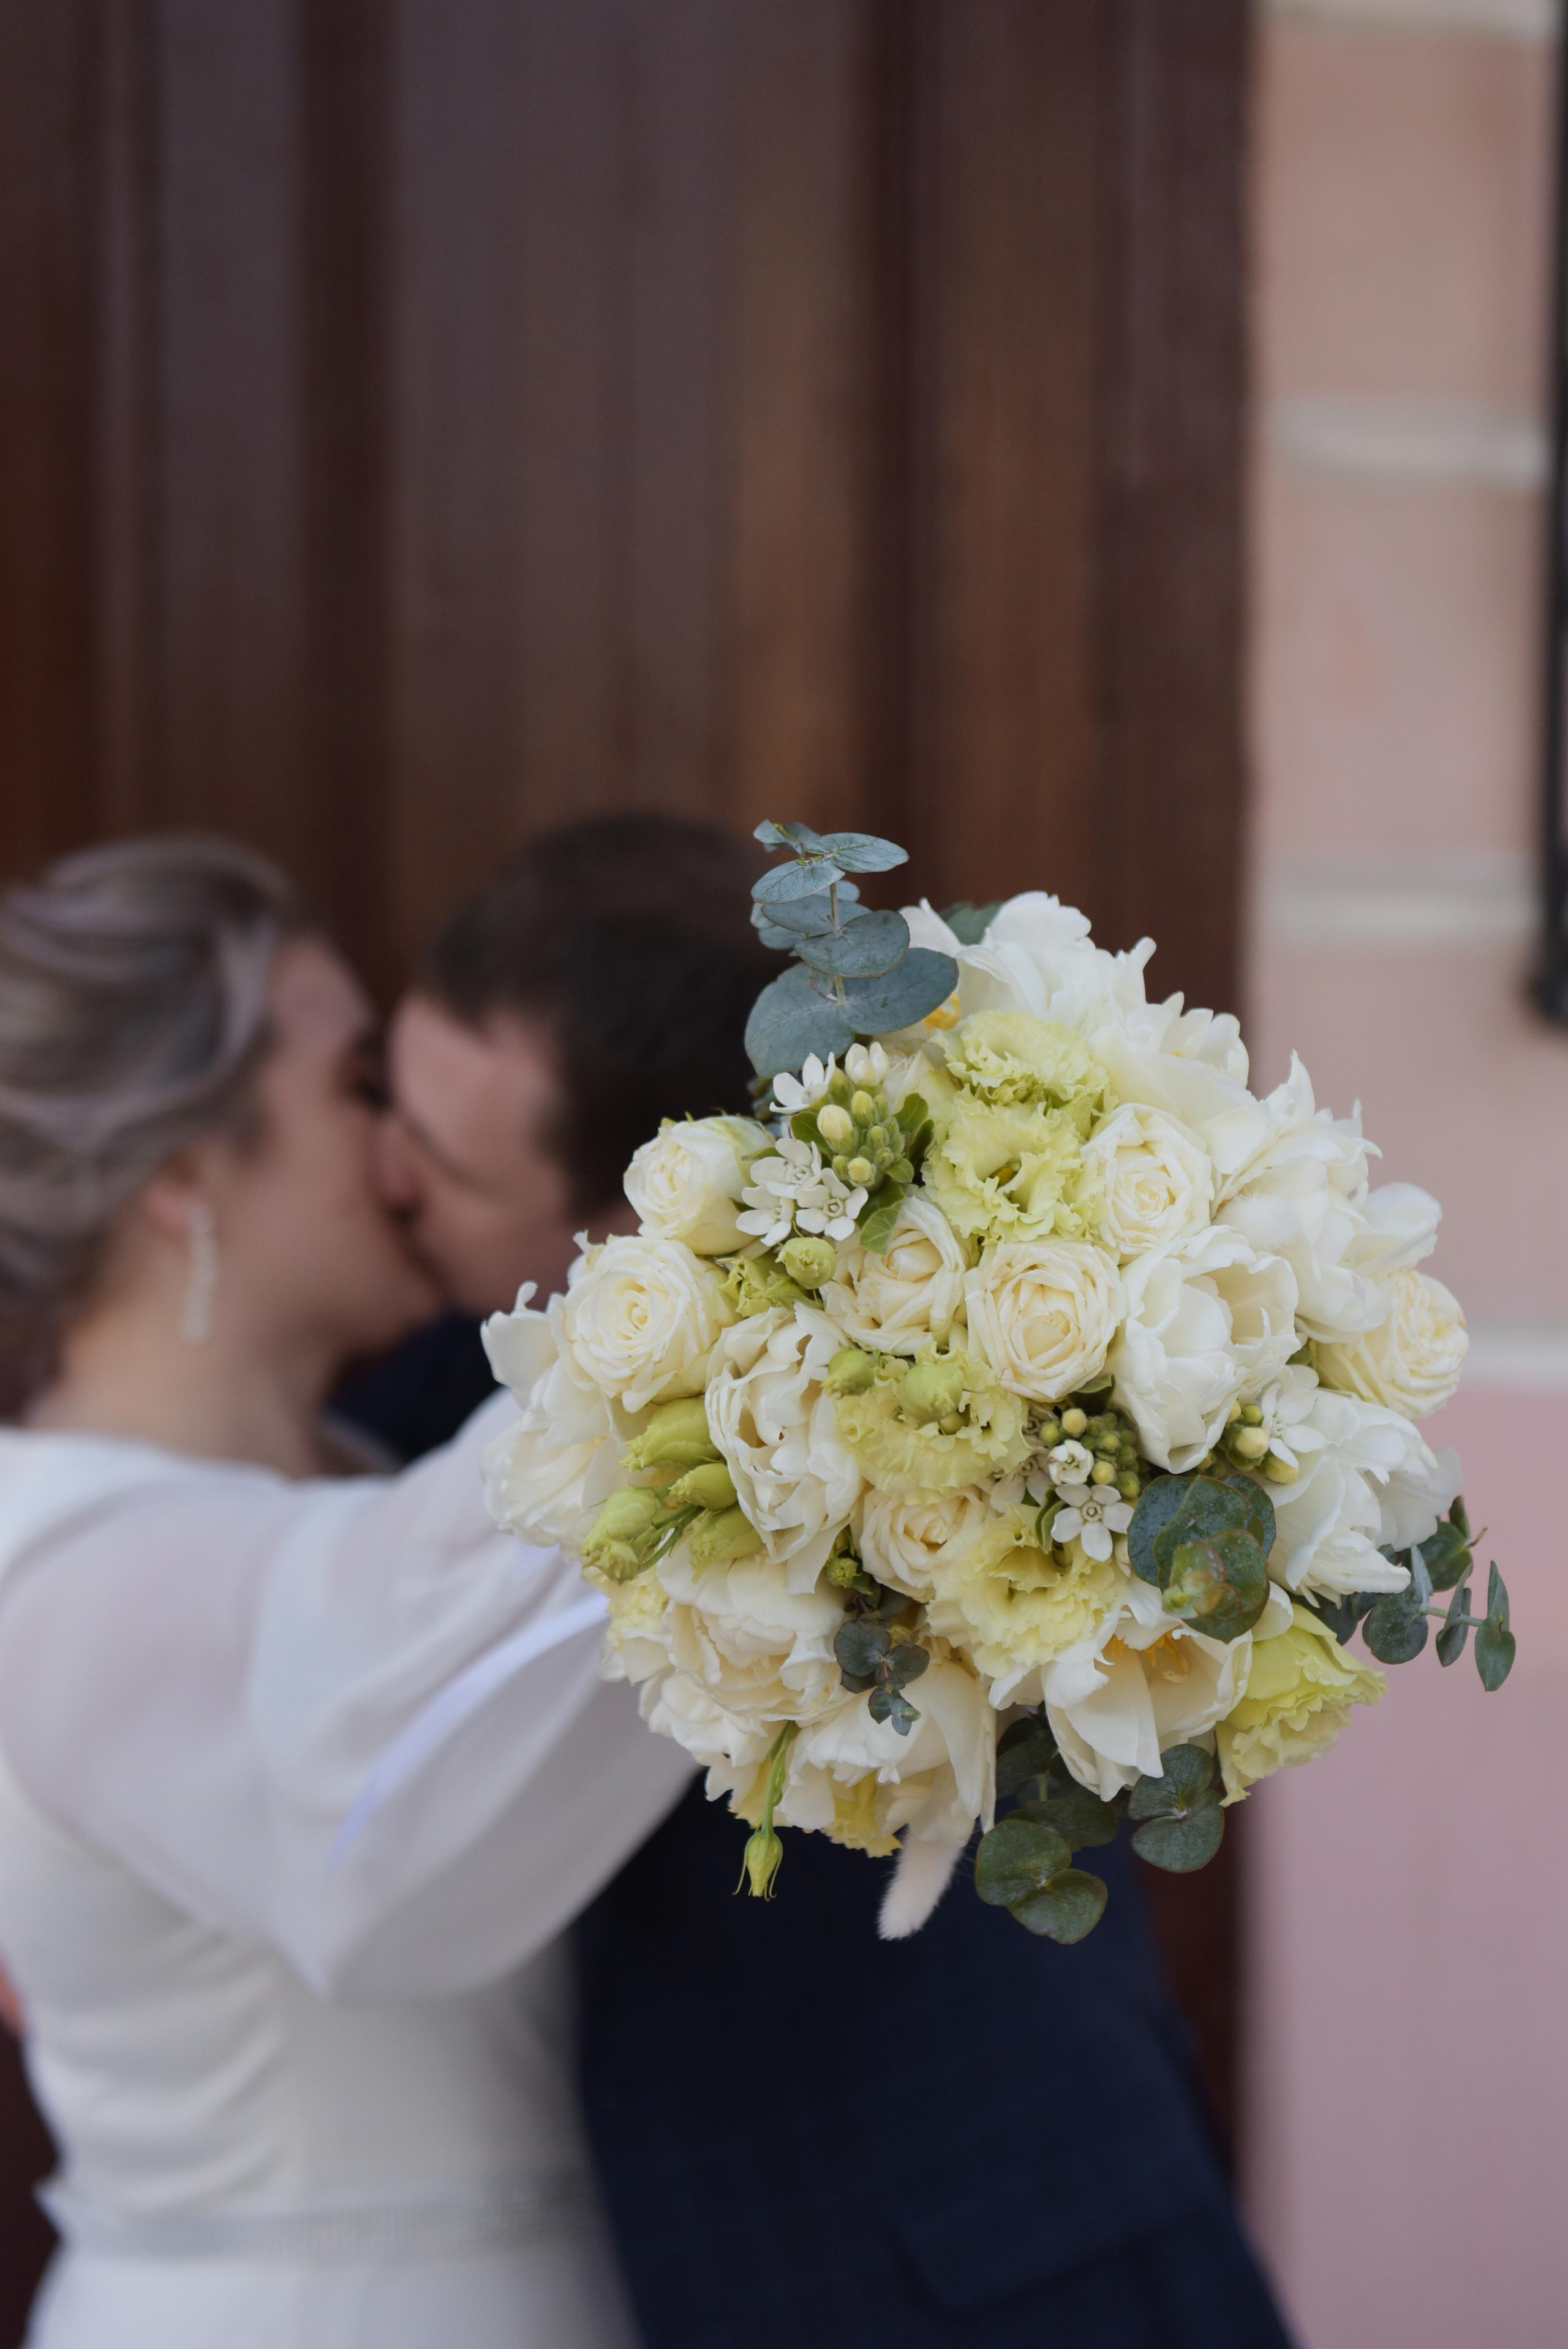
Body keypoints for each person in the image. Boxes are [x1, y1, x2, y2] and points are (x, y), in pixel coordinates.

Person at [365, 813, 1297, 2349]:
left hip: (960, 2260)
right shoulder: (425, 1396)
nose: (386, 1177)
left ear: (633, 1233)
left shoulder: (823, 1430)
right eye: (374, 1102)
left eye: (442, 1163)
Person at [0, 837, 693, 2349]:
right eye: (355, 1085)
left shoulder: (366, 1471)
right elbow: (358, 1783)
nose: (401, 1150)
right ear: (185, 1174)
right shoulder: (71, 1566)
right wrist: (741, 1257)